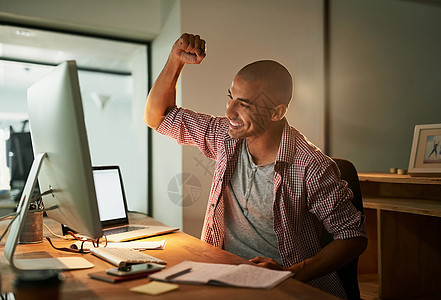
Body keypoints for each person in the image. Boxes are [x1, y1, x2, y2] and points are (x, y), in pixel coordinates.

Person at [144, 33, 367, 298]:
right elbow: (157, 117)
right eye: (231, 97)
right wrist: (175, 60)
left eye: (244, 104)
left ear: (277, 112)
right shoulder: (225, 136)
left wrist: (291, 273)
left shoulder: (312, 166)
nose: (229, 111)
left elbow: (353, 236)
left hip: (287, 287)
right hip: (225, 275)